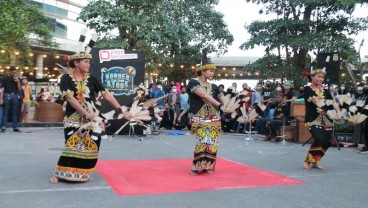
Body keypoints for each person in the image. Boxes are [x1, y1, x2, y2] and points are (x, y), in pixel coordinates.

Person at [49, 51, 132, 184]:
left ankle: (83, 171)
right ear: (76, 63)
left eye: (89, 62)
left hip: (94, 117)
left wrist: (121, 111)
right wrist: (86, 114)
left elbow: (106, 94)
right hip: (74, 117)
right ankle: (60, 173)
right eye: (86, 62)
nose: (88, 65)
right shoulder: (66, 78)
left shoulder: (92, 77)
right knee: (73, 144)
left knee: (93, 144)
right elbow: (70, 99)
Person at [187, 56, 226, 175]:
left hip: (214, 118)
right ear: (203, 71)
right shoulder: (193, 82)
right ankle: (197, 166)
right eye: (211, 71)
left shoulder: (214, 87)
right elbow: (204, 95)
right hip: (199, 117)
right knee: (203, 140)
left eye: (213, 71)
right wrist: (220, 105)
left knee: (213, 142)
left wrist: (229, 105)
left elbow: (223, 99)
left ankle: (208, 165)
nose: (212, 73)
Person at [303, 68, 341, 170]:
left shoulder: (325, 91)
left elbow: (333, 103)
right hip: (313, 119)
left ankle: (315, 161)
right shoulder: (307, 89)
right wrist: (329, 112)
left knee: (327, 141)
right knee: (319, 138)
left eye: (322, 77)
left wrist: (338, 112)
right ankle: (308, 160)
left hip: (327, 120)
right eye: (319, 76)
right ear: (312, 77)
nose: (321, 79)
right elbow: (317, 102)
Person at [1, 66, 22, 133]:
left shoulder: (17, 79)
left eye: (15, 72)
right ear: (9, 72)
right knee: (5, 112)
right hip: (7, 95)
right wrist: (1, 98)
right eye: (12, 72)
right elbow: (2, 89)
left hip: (15, 95)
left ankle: (15, 127)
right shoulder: (4, 78)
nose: (14, 73)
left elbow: (19, 89)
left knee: (14, 113)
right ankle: (3, 127)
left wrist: (18, 81)